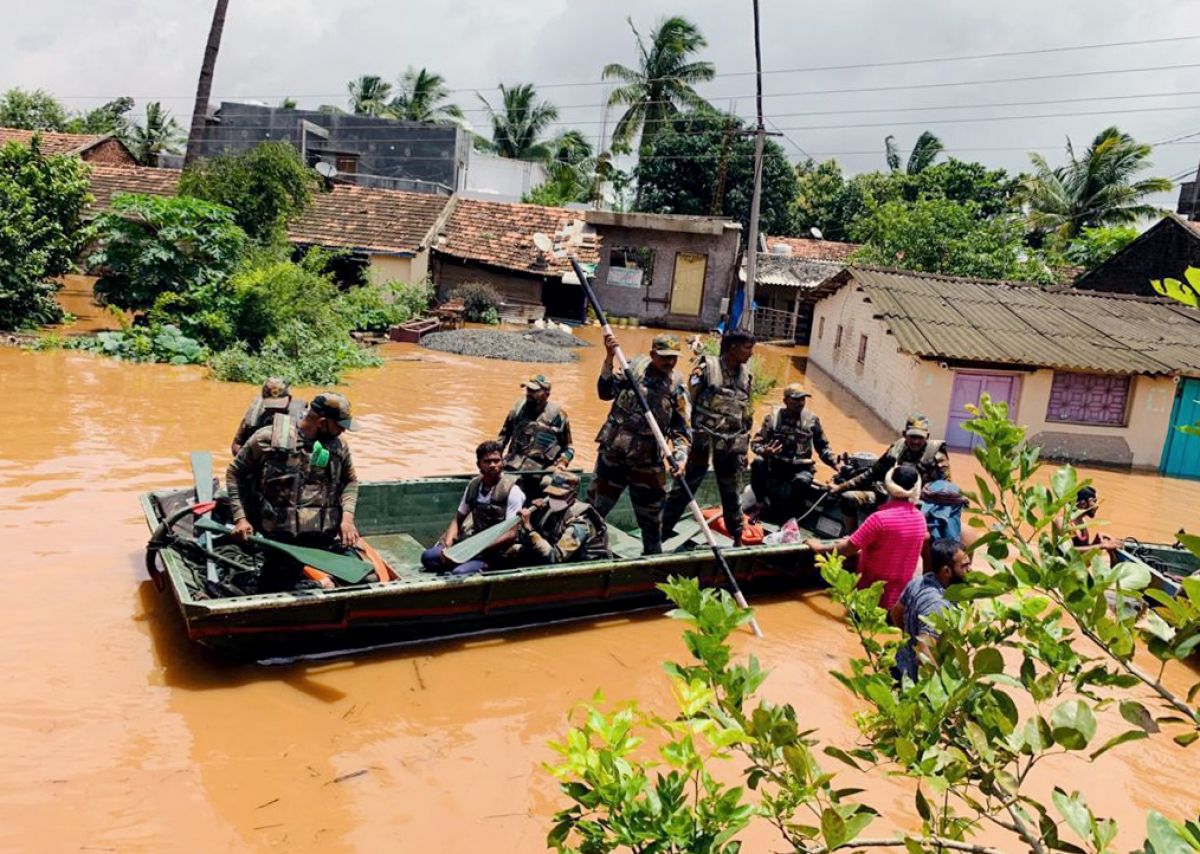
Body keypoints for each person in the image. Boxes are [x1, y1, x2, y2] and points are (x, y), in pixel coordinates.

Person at [226, 392, 363, 592]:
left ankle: (320, 582)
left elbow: (350, 481)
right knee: (274, 591)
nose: (343, 431)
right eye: (340, 425)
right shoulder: (267, 439)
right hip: (284, 539)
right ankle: (317, 584)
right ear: (322, 422)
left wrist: (348, 519)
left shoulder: (339, 445)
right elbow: (234, 473)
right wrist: (240, 518)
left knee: (367, 577)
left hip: (324, 535)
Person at [590, 332, 691, 555]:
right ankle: (585, 558)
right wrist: (608, 358)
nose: (670, 362)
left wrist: (680, 458)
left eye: (674, 357)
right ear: (652, 354)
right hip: (613, 458)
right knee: (594, 514)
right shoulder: (632, 369)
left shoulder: (676, 386)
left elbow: (682, 431)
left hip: (647, 465)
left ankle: (651, 566)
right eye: (665, 356)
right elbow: (604, 393)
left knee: (652, 524)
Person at [661, 330, 756, 545]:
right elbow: (687, 406)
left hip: (730, 444)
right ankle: (662, 532)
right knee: (685, 487)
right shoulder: (706, 369)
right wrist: (683, 442)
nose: (750, 354)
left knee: (731, 492)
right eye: (747, 348)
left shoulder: (746, 375)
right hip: (701, 441)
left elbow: (747, 414)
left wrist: (744, 449)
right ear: (733, 348)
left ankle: (737, 538)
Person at [805, 464, 930, 610]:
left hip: (868, 601)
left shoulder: (878, 519)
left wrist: (817, 547)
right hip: (899, 605)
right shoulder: (920, 519)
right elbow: (889, 549)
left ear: (888, 486)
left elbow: (846, 550)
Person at [421, 440, 526, 575]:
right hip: (473, 542)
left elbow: (511, 534)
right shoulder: (474, 486)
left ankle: (472, 565)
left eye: (497, 460)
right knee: (427, 557)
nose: (493, 465)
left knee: (459, 573)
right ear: (479, 465)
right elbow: (458, 519)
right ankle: (460, 562)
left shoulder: (512, 490)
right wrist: (447, 546)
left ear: (502, 462)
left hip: (496, 550)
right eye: (487, 462)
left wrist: (472, 551)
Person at [830, 414, 950, 531]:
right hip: (889, 496)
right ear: (904, 435)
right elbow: (872, 473)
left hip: (917, 504)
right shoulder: (896, 450)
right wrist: (840, 487)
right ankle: (852, 538)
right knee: (848, 498)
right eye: (912, 437)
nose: (916, 441)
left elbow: (947, 489)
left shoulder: (937, 456)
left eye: (920, 438)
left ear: (927, 437)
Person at [748, 383, 840, 519]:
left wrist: (836, 464)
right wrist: (764, 451)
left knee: (802, 480)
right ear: (785, 401)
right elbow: (755, 444)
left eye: (803, 399)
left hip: (800, 469)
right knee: (757, 463)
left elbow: (823, 447)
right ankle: (760, 503)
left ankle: (792, 515)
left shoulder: (811, 420)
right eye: (796, 399)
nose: (800, 402)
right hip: (776, 466)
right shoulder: (773, 419)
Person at [890, 538, 971, 682]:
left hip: (899, 666)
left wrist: (911, 636)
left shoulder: (920, 581)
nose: (970, 570)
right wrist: (939, 688)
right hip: (913, 682)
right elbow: (924, 656)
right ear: (947, 571)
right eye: (964, 566)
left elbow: (896, 612)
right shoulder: (938, 605)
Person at [497, 373, 575, 498]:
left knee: (549, 485)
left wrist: (561, 464)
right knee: (499, 489)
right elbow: (503, 437)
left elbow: (569, 448)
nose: (529, 393)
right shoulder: (517, 409)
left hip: (542, 470)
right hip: (513, 467)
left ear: (547, 394)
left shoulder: (558, 416)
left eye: (534, 391)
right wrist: (496, 459)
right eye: (528, 390)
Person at [510, 471, 609, 565]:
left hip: (586, 571)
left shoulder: (581, 521)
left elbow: (555, 557)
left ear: (573, 495)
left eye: (559, 496)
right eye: (551, 494)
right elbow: (538, 538)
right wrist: (535, 515)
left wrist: (530, 529)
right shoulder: (551, 509)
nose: (553, 499)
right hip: (564, 562)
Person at [230, 377, 307, 456]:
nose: (275, 411)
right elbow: (236, 445)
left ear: (289, 400)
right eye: (271, 406)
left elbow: (311, 447)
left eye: (280, 406)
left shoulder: (300, 415)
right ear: (263, 399)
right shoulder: (254, 415)